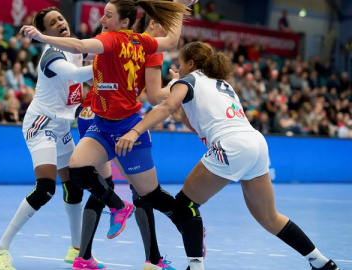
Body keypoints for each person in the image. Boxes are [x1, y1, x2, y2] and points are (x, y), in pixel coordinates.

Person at [115, 41, 340, 270]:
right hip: (256, 143)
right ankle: (322, 263)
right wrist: (181, 111)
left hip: (232, 145)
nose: (178, 68)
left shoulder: (187, 80)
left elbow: (163, 107)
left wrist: (135, 131)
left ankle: (195, 267)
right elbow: (200, 124)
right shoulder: (221, 84)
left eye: (180, 64)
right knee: (269, 218)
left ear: (191, 64)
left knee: (185, 205)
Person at [21, 1, 190, 269]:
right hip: (98, 119)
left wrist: (42, 37)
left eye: (108, 15)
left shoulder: (138, 45)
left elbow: (163, 58)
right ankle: (106, 240)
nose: (101, 19)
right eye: (103, 14)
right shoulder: (121, 41)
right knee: (86, 174)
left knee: (145, 193)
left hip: (124, 124)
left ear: (125, 22)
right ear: (144, 24)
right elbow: (169, 43)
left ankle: (181, 230)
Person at [0, 7, 101, 270]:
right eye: (52, 22)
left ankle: (75, 249)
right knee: (46, 188)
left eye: (60, 18)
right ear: (45, 33)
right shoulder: (52, 54)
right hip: (40, 124)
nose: (59, 22)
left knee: (73, 186)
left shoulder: (75, 48)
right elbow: (79, 75)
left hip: (61, 126)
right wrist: (109, 64)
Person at [75, 11, 181, 270]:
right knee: (140, 191)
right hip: (118, 123)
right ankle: (153, 259)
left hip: (91, 115)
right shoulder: (149, 48)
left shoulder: (114, 39)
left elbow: (89, 72)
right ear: (154, 24)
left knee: (100, 184)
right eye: (165, 26)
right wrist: (178, 85)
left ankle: (84, 257)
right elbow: (155, 97)